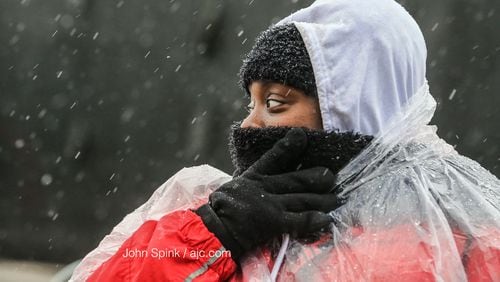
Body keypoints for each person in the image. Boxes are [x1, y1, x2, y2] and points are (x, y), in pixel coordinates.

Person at [71, 0, 500, 281]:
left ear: (354, 107)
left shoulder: (465, 231)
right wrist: (210, 237)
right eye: (250, 103)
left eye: (275, 103)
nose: (250, 126)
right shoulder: (224, 219)